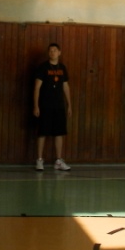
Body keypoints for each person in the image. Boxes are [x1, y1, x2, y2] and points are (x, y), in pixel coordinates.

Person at [32, 43, 72, 171]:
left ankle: (58, 161)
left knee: (59, 133)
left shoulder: (62, 68)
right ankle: (39, 160)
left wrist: (69, 105)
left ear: (59, 52)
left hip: (59, 105)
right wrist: (36, 106)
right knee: (42, 132)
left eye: (55, 50)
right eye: (50, 50)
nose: (52, 52)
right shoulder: (43, 67)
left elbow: (66, 86)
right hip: (45, 105)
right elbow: (37, 87)